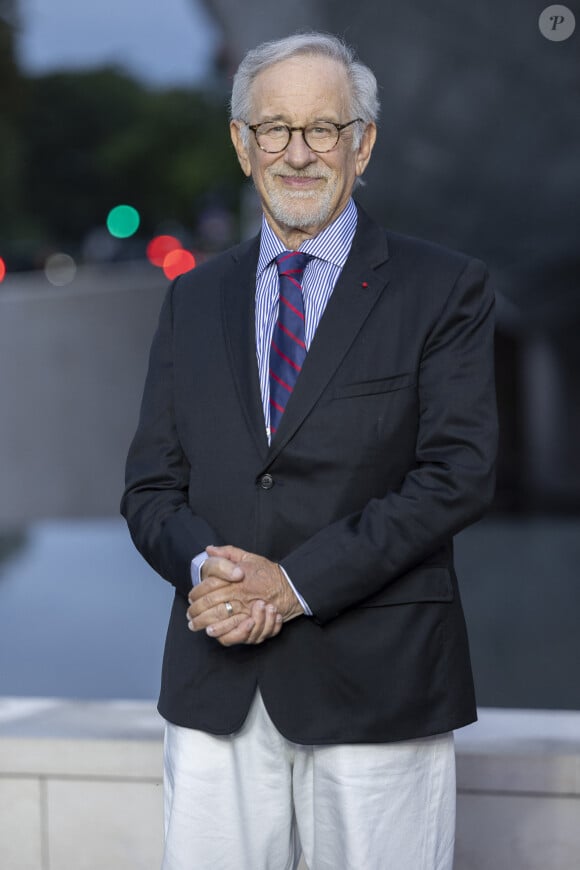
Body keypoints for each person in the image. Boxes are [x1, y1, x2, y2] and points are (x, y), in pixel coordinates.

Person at [121, 31, 497, 870]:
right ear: (241, 143)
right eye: (275, 129)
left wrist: (291, 586)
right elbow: (150, 487)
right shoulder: (192, 299)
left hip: (380, 689)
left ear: (362, 144)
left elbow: (456, 475)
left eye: (322, 129)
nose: (298, 153)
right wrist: (209, 574)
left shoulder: (445, 289)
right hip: (214, 683)